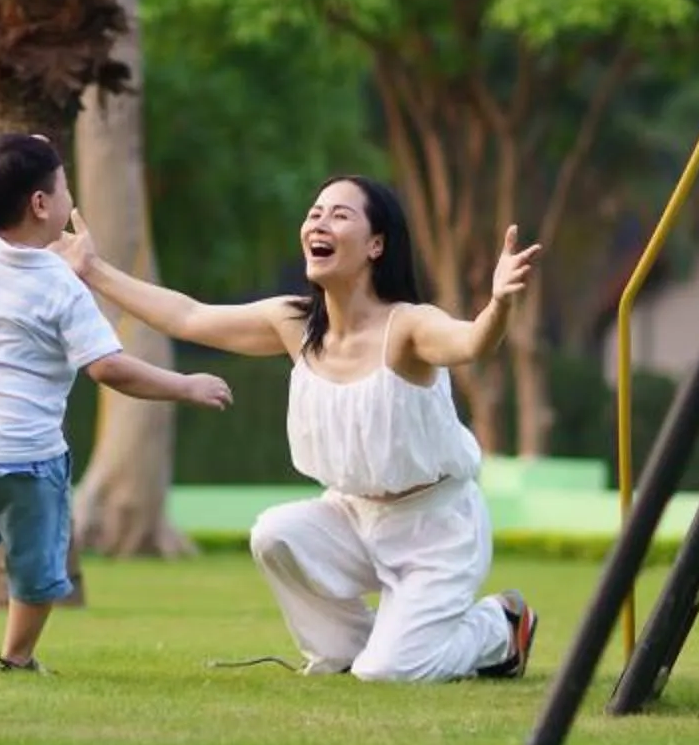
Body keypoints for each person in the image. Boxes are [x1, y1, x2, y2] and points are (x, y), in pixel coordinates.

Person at [60, 176, 541, 683]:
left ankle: (500, 628)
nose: (318, 221)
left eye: (339, 214)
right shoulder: (294, 322)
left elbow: (471, 344)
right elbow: (187, 315)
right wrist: (92, 269)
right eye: (315, 212)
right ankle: (347, 649)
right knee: (275, 534)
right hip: (352, 515)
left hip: (435, 528)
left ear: (376, 244)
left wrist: (499, 305)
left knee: (392, 674)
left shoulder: (409, 327)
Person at [0, 132, 233, 674]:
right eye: (64, 184)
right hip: (25, 453)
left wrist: (22, 151)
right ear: (41, 204)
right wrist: (185, 384)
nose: (71, 194)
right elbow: (107, 367)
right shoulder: (60, 285)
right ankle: (17, 658)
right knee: (37, 566)